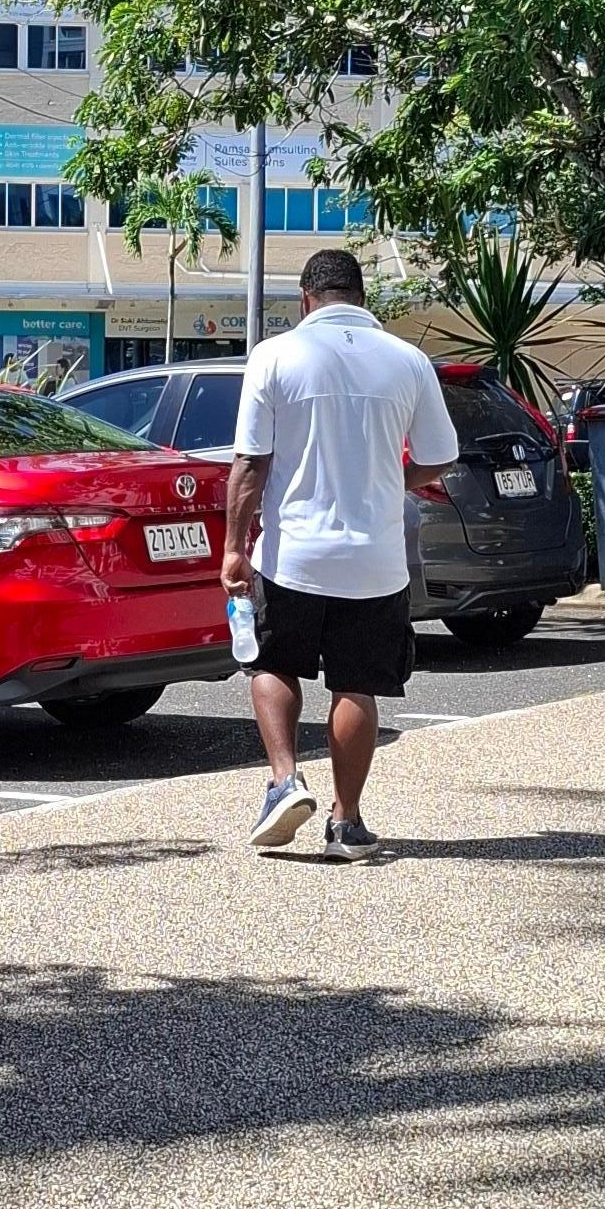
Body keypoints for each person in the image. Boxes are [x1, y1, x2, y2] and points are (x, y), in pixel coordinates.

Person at [222, 245, 458, 854]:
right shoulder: (408, 361)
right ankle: (347, 823)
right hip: (376, 562)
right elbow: (439, 456)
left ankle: (283, 782)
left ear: (306, 299)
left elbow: (250, 464)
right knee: (356, 685)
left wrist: (232, 549)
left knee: (272, 665)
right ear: (361, 297)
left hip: (293, 554)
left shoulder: (275, 356)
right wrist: (388, 480)